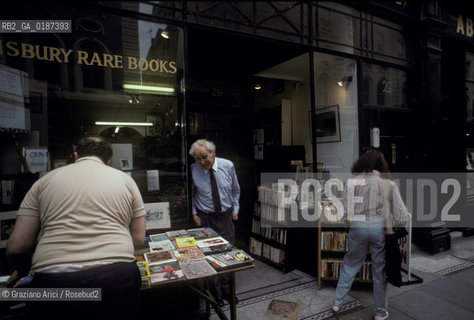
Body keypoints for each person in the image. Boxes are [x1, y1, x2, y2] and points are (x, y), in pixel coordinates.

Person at [7, 136, 146, 320]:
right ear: (108, 160)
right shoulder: (125, 181)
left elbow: (18, 246)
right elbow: (138, 238)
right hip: (117, 276)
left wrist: (22, 271)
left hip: (55, 280)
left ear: (75, 155)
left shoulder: (44, 182)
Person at [331, 149, 409, 320]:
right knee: (379, 271)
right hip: (378, 228)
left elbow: (344, 211)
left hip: (357, 226)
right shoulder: (389, 184)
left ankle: (337, 303)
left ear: (362, 163)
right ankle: (380, 312)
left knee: (350, 264)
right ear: (381, 165)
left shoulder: (351, 183)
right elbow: (402, 214)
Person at [189, 139, 240, 306]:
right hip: (206, 217)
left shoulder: (227, 166)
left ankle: (228, 291)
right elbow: (191, 193)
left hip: (225, 216)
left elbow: (235, 189)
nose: (202, 162)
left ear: (213, 153)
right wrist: (194, 213)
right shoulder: (193, 170)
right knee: (210, 254)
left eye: (204, 157)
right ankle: (215, 293)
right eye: (198, 159)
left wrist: (235, 210)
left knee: (227, 254)